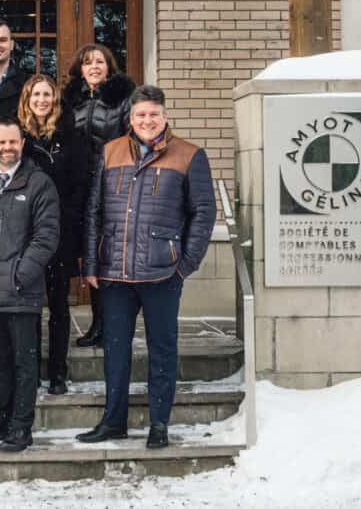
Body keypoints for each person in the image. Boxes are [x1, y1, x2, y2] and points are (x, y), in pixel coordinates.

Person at [77, 85, 215, 449]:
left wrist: (185, 264)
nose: (147, 121)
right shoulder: (110, 152)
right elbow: (94, 210)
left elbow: (203, 213)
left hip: (162, 273)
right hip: (115, 273)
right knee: (115, 350)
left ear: (164, 116)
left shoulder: (189, 155)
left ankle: (159, 423)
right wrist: (91, 261)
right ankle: (113, 421)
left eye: (154, 114)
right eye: (140, 115)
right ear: (131, 118)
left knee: (162, 350)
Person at [0, 117, 59, 452]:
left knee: (24, 362)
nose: (7, 147)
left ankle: (21, 426)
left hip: (20, 292)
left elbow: (46, 237)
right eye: (1, 142)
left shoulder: (38, 184)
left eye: (13, 142)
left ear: (22, 143)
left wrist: (20, 274)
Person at [62, 43, 136, 349]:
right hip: (80, 187)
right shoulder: (71, 102)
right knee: (90, 256)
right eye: (87, 62)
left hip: (112, 186)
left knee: (109, 258)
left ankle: (112, 326)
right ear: (80, 69)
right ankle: (98, 323)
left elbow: (132, 142)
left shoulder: (123, 99)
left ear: (109, 67)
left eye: (100, 62)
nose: (94, 67)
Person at [17, 74, 76, 395]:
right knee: (28, 306)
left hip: (59, 233)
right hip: (25, 234)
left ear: (55, 100)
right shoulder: (19, 137)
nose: (41, 100)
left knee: (58, 306)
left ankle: (58, 371)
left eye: (47, 95)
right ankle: (30, 367)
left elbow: (79, 185)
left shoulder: (70, 136)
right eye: (35, 94)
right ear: (27, 99)